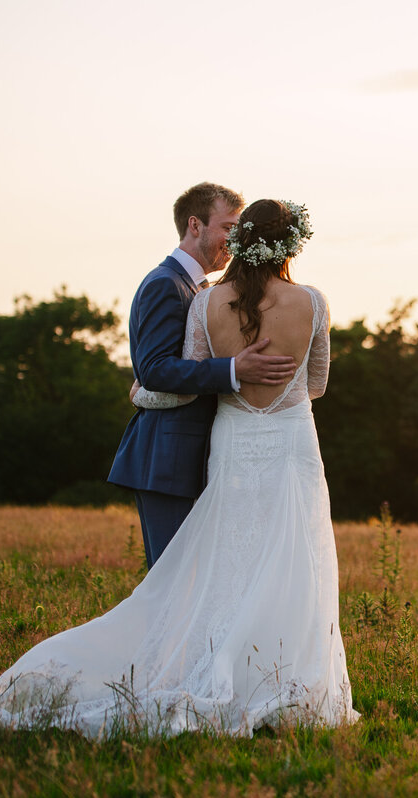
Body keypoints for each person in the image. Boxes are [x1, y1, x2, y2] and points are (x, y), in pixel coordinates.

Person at [0, 199, 358, 736]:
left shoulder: (206, 306)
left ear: (241, 240)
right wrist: (282, 390)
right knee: (295, 559)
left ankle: (217, 668)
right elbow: (317, 384)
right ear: (293, 244)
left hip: (232, 442)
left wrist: (149, 393)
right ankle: (283, 683)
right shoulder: (314, 302)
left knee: (228, 562)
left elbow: (185, 374)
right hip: (291, 444)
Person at [108, 182, 299, 568]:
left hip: (190, 456)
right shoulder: (165, 284)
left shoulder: (197, 288)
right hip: (167, 458)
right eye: (229, 228)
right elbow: (155, 369)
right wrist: (233, 369)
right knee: (170, 581)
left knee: (190, 585)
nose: (237, 238)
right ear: (195, 225)